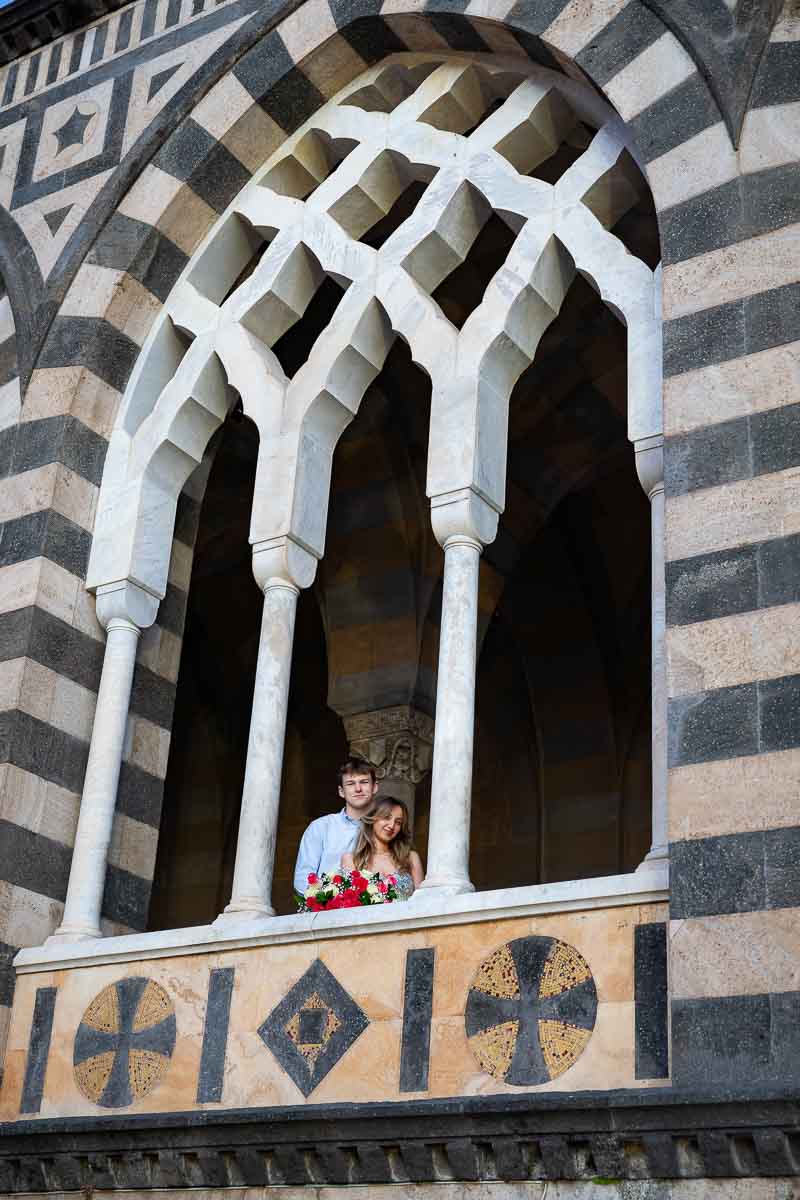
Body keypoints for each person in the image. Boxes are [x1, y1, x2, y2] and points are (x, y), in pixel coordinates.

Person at [293, 757, 378, 896]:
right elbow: (303, 879)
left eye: (364, 782)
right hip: (326, 913)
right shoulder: (320, 827)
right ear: (341, 791)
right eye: (350, 783)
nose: (358, 788)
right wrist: (330, 901)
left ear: (374, 787)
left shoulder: (384, 828)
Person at [341, 797, 424, 900]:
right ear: (373, 818)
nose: (391, 825)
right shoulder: (351, 860)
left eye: (398, 822)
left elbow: (421, 901)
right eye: (386, 817)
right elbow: (350, 903)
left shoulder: (411, 857)